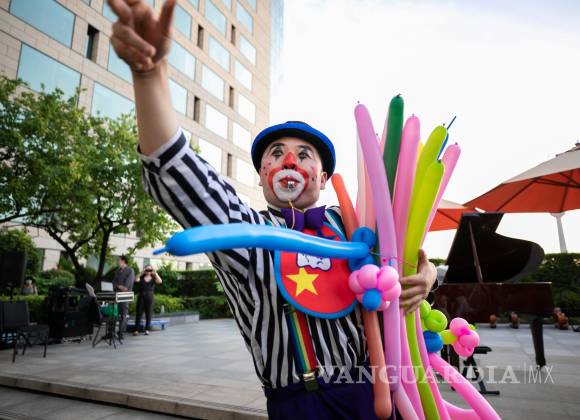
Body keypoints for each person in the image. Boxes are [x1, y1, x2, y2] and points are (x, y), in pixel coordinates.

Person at [107, 1, 437, 417]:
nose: (289, 161)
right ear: (263, 176)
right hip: (298, 405)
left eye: (304, 154)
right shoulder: (246, 233)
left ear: (322, 177)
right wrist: (149, 75)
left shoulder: (356, 226)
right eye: (276, 154)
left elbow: (403, 261)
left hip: (376, 397)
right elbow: (178, 171)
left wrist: (426, 276)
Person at [134, 264, 162, 335]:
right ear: (144, 270)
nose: (148, 271)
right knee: (139, 312)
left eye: (150, 270)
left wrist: (155, 273)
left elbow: (160, 281)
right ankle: (136, 329)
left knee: (149, 313)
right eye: (147, 269)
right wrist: (141, 272)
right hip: (141, 296)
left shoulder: (153, 278)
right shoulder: (141, 277)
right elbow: (136, 279)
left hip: (150, 296)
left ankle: (147, 329)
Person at [112, 255, 135, 339]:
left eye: (118, 260)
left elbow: (126, 287)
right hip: (116, 294)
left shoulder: (130, 271)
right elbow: (113, 283)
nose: (117, 262)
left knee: (123, 315)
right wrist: (119, 286)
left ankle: (121, 333)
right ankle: (111, 333)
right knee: (114, 313)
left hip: (125, 295)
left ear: (123, 261)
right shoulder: (117, 271)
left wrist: (119, 286)